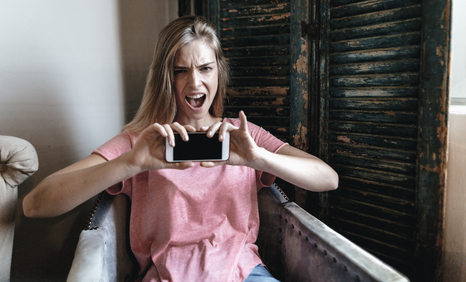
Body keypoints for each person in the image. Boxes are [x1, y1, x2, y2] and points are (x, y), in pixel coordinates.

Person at [23, 15, 338, 282]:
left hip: (243, 273)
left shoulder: (242, 135)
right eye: (180, 70)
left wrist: (259, 158)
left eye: (205, 68)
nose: (195, 82)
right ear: (165, 77)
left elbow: (327, 178)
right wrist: (131, 163)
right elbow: (35, 205)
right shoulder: (141, 141)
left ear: (218, 71)